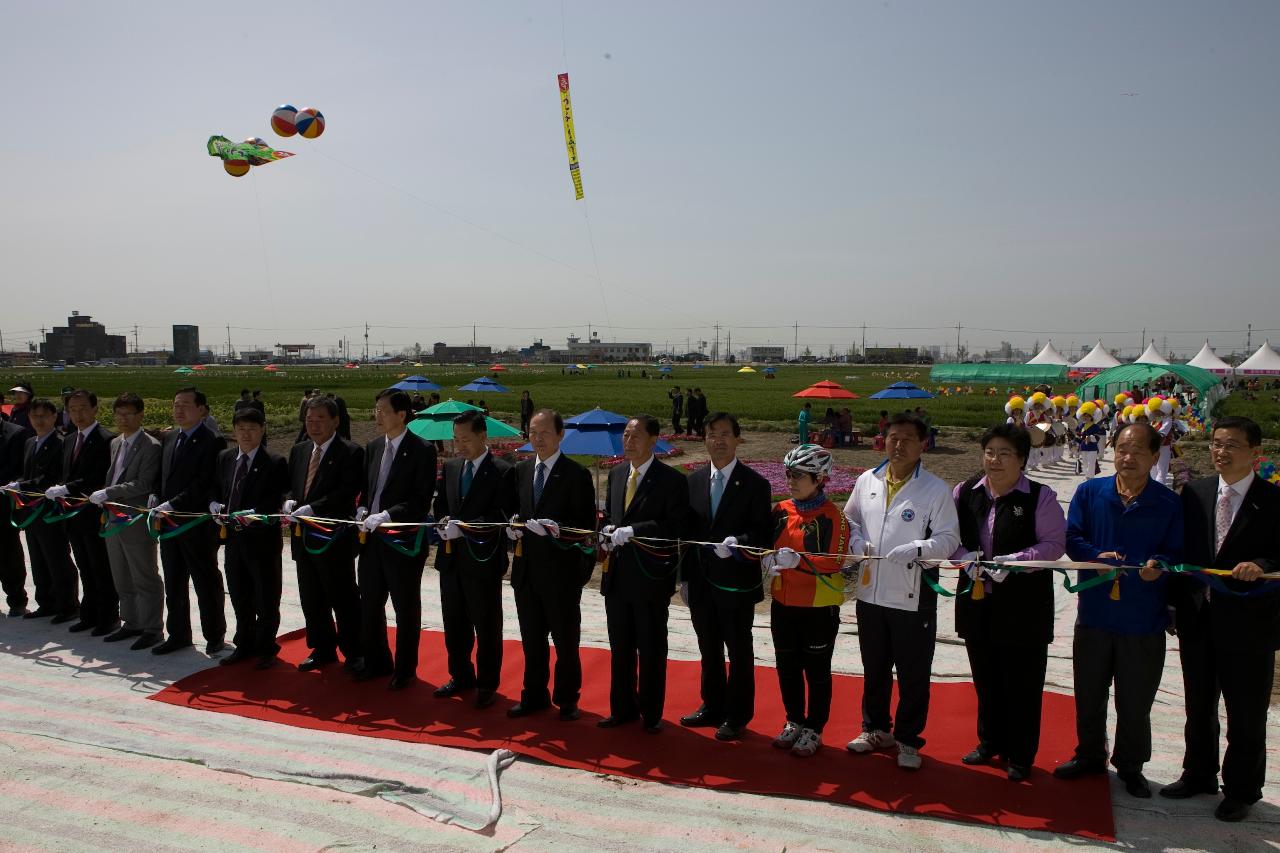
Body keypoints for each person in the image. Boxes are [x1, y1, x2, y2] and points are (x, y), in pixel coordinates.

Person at [1056, 422, 1183, 798]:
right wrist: (1094, 557)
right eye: (1122, 449)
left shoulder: (1167, 502)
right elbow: (1072, 537)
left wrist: (1158, 564)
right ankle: (1090, 755)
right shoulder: (1090, 492)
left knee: (1135, 698)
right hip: (1094, 614)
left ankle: (1130, 765)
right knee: (1089, 692)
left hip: (1142, 617)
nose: (1127, 458)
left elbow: (1176, 551)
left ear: (1154, 456)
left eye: (1138, 451)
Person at [1163, 416, 1280, 822]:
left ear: (1255, 452)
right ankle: (1198, 773)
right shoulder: (1193, 494)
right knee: (1199, 704)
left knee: (1246, 711)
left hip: (1250, 624)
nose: (1221, 451)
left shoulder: (1274, 499)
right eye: (1215, 443)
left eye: (1231, 444)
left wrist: (1260, 564)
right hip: (1199, 619)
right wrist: (1174, 606)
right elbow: (1181, 555)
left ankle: (1242, 789)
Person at [843, 413, 961, 770]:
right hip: (870, 593)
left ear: (922, 444)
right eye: (893, 437)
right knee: (874, 667)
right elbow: (850, 518)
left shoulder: (935, 489)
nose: (899, 444)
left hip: (912, 594)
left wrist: (919, 549)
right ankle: (875, 728)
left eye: (908, 438)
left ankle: (909, 739)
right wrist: (857, 538)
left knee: (913, 672)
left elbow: (950, 539)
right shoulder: (868, 480)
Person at [950, 424, 1066, 780]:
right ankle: (989, 742)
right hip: (976, 599)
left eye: (1004, 454)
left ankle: (1020, 754)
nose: (994, 460)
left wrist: (1016, 561)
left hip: (1024, 606)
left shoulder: (1039, 497)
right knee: (985, 678)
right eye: (989, 452)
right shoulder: (965, 491)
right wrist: (964, 558)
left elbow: (1053, 545)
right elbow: (949, 538)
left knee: (1023, 682)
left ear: (1022, 460)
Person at [680, 412, 773, 741]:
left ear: (737, 439)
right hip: (701, 581)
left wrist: (739, 544)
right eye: (711, 434)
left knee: (739, 650)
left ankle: (737, 716)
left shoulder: (755, 484)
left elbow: (763, 533)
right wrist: (684, 579)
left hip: (735, 582)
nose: (717, 440)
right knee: (708, 648)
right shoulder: (691, 481)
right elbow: (686, 536)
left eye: (724, 434)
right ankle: (712, 705)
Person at [598, 414, 690, 732]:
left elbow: (676, 526)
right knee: (620, 648)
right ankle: (621, 708)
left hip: (650, 579)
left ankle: (651, 714)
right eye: (625, 435)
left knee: (650, 649)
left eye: (636, 436)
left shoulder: (672, 480)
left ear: (654, 440)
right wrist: (605, 530)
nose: (628, 441)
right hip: (617, 578)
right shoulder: (617, 473)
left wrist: (635, 530)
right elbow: (609, 515)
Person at [506, 409, 596, 721]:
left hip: (561, 573)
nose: (538, 438)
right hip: (527, 571)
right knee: (532, 640)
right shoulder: (521, 470)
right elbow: (514, 512)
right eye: (533, 432)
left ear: (560, 435)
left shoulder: (576, 474)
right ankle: (533, 695)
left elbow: (586, 527)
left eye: (545, 432)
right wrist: (512, 528)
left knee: (565, 641)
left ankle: (568, 698)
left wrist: (557, 528)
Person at [766, 444, 852, 757]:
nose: (790, 479)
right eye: (788, 473)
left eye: (798, 475)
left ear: (819, 479)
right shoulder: (779, 510)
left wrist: (798, 561)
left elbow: (836, 560)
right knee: (786, 667)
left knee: (816, 672)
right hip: (783, 603)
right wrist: (761, 558)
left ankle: (815, 727)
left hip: (818, 607)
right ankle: (794, 720)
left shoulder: (833, 516)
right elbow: (766, 547)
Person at [353, 389, 437, 690]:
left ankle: (405, 669)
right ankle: (376, 661)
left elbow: (420, 498)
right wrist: (363, 508)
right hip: (371, 540)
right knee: (370, 604)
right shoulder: (374, 447)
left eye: (383, 411)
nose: (378, 415)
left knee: (405, 607)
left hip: (402, 542)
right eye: (375, 409)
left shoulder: (422, 450)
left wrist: (387, 515)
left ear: (402, 415)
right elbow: (367, 486)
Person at [433, 410, 516, 707]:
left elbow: (502, 515)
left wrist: (467, 528)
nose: (460, 446)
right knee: (454, 622)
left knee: (486, 624)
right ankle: (460, 674)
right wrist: (443, 522)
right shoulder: (452, 467)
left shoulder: (503, 470)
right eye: (456, 439)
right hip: (451, 559)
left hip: (483, 560)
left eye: (466, 439)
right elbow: (441, 504)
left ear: (483, 436)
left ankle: (487, 684)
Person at [283, 396, 366, 672]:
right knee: (311, 596)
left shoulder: (351, 452)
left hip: (334, 538)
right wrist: (289, 502)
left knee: (342, 596)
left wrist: (313, 507)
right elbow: (291, 487)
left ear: (335, 421)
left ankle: (354, 651)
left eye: (320, 419)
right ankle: (322, 648)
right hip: (302, 537)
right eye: (309, 419)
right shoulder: (300, 450)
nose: (314, 425)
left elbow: (346, 492)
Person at [151, 387, 227, 656]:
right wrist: (155, 495)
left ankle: (214, 635)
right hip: (168, 523)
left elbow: (204, 483)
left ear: (202, 409)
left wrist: (173, 503)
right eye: (176, 404)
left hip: (196, 525)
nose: (179, 410)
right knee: (173, 580)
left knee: (205, 581)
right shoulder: (170, 437)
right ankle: (179, 634)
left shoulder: (212, 441)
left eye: (185, 405)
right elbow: (163, 475)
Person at [210, 408, 289, 669]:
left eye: (252, 428)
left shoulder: (275, 462)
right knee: (239, 594)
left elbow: (276, 500)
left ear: (262, 429)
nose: (246, 434)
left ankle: (266, 648)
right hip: (233, 539)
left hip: (262, 541)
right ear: (234, 431)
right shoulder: (224, 457)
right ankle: (244, 644)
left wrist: (254, 515)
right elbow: (218, 489)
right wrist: (215, 505)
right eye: (241, 428)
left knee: (266, 596)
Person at [89, 393, 163, 650]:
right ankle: (131, 622)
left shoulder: (150, 446)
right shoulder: (115, 443)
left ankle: (152, 627)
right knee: (121, 575)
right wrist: (107, 495)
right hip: (113, 517)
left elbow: (143, 483)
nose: (123, 419)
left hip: (134, 518)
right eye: (119, 414)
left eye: (128, 413)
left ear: (140, 415)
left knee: (144, 575)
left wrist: (108, 492)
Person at [47, 389, 119, 635]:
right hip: (72, 516)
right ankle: (89, 614)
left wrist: (68, 488)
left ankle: (108, 617)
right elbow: (65, 474)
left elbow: (99, 477)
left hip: (94, 514)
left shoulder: (106, 439)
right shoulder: (68, 439)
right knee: (84, 566)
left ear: (95, 409)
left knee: (101, 567)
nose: (78, 414)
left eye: (83, 408)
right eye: (72, 410)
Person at [5, 398, 79, 622]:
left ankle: (68, 605)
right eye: (35, 416)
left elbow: (51, 477)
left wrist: (22, 485)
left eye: (44, 416)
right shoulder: (30, 442)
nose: (39, 420)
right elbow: (26, 474)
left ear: (54, 417)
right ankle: (46, 602)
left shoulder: (60, 442)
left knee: (57, 559)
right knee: (38, 559)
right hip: (30, 512)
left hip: (49, 511)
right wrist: (18, 482)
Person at [0, 413, 32, 616]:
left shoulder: (16, 433)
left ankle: (16, 599)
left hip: (3, 504)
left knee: (8, 553)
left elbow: (18, 469)